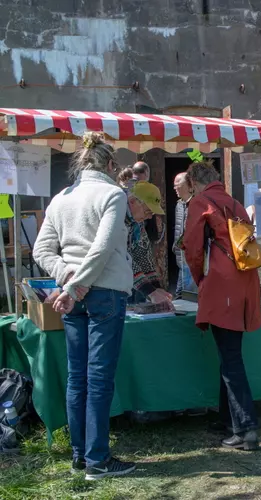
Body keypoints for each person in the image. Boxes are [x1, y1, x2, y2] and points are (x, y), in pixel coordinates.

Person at [33, 132, 136, 480]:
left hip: (74, 294)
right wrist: (75, 284)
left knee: (79, 378)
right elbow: (103, 248)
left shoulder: (61, 197)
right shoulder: (112, 193)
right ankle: (97, 460)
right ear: (110, 165)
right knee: (97, 378)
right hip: (102, 292)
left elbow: (42, 251)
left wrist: (68, 280)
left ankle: (82, 455)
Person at [182, 161, 261, 451]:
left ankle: (246, 428)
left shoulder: (200, 203)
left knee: (230, 360)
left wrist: (199, 279)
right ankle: (227, 419)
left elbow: (191, 248)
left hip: (221, 284)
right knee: (229, 353)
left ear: (192, 182)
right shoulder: (235, 203)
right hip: (244, 282)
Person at [125, 182, 172, 306]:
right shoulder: (116, 216)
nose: (150, 217)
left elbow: (143, 254)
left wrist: (156, 287)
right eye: (148, 211)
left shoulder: (137, 221)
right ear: (133, 202)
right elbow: (121, 257)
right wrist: (150, 291)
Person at [173, 172, 196, 299]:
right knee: (181, 292)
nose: (175, 188)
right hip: (180, 254)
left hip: (191, 255)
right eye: (174, 186)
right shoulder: (179, 205)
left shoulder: (196, 204)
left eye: (178, 185)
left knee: (185, 293)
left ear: (189, 186)